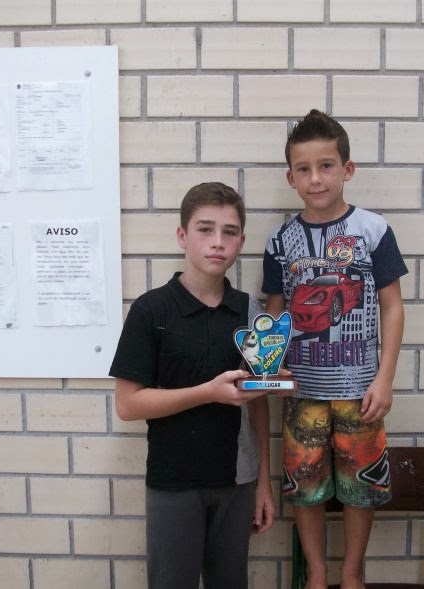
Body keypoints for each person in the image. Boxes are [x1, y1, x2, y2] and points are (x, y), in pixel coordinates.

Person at [262, 110, 408, 589]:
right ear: (291, 178)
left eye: (326, 166)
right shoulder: (280, 241)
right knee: (304, 486)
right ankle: (317, 575)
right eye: (303, 169)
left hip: (360, 392)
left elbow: (392, 306)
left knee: (360, 487)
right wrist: (272, 367)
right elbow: (276, 312)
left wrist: (385, 378)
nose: (316, 178)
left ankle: (351, 574)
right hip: (301, 393)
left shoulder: (373, 229)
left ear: (348, 169)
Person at [110, 182, 274, 589]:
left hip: (237, 481)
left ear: (241, 242)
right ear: (182, 235)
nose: (218, 242)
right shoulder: (151, 310)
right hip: (173, 482)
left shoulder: (249, 311)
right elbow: (128, 405)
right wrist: (208, 393)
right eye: (205, 229)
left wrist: (263, 483)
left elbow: (257, 403)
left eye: (230, 232)